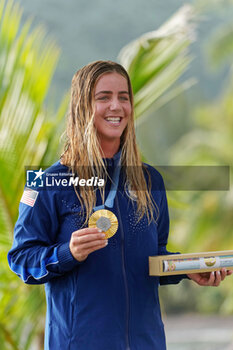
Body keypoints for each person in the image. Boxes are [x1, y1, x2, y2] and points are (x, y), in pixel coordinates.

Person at [8, 60, 232, 350]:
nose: (116, 106)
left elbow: (152, 257)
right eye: (104, 97)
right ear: (82, 106)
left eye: (123, 97)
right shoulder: (47, 183)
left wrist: (186, 269)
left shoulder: (150, 180)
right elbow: (22, 258)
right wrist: (68, 253)